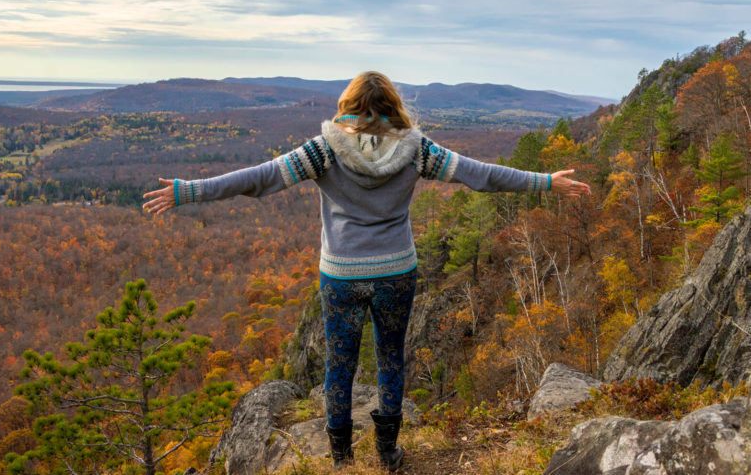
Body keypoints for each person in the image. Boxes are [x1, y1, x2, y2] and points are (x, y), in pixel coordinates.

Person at [142, 71, 591, 471]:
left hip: (341, 274)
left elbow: (258, 179)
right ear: (394, 106)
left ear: (348, 106)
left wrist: (189, 191)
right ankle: (388, 452)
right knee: (391, 359)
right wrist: (545, 182)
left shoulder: (323, 151)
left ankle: (342, 457)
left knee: (340, 364)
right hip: (397, 270)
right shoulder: (417, 150)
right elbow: (483, 176)